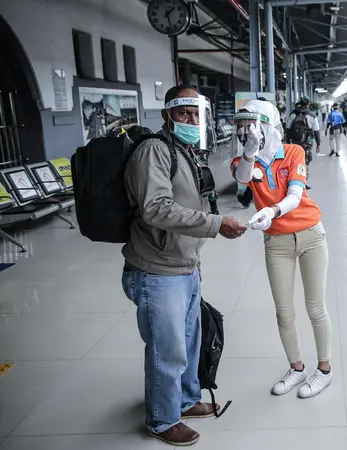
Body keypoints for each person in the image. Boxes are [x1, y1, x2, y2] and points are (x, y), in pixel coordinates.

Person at [121, 85, 248, 446]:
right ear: (167, 115)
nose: (192, 121)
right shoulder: (154, 152)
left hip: (184, 264)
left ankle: (187, 400)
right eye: (183, 114)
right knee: (168, 348)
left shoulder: (185, 151)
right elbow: (155, 208)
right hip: (156, 269)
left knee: (190, 341)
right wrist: (215, 224)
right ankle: (162, 419)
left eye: (196, 115)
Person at [231, 99, 334, 399]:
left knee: (315, 307)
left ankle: (324, 370)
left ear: (266, 124)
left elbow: (295, 193)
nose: (244, 131)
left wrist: (273, 211)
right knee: (284, 312)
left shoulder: (293, 152)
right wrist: (250, 153)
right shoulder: (242, 161)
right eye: (240, 126)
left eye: (250, 125)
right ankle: (297, 368)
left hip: (311, 235)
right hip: (276, 243)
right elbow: (241, 178)